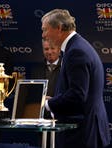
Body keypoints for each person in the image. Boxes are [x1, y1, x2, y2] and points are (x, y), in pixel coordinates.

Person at [41, 9, 111, 148]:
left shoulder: (76, 52)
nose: (43, 35)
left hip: (82, 135)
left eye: (45, 30)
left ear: (59, 28)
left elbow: (77, 95)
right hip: (85, 131)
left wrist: (48, 104)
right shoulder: (77, 46)